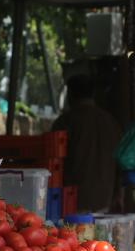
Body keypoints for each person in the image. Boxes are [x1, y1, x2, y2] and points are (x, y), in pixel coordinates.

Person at [52, 74, 122, 212]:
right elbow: (120, 163)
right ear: (93, 93)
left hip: (71, 200)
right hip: (104, 199)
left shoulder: (66, 121)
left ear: (70, 94)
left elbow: (53, 161)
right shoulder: (111, 122)